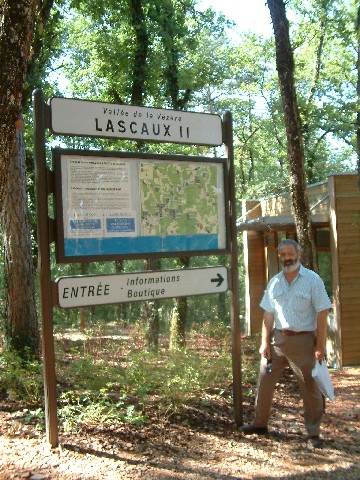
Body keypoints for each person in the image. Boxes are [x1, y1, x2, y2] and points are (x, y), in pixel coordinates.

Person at [242, 239, 332, 448]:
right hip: (277, 341)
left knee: (309, 388)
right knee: (264, 382)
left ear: (298, 254)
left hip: (304, 342)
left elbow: (322, 312)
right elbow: (267, 314)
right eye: (283, 254)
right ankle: (260, 424)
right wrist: (264, 342)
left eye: (290, 254)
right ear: (279, 256)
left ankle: (313, 434)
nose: (287, 258)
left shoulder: (313, 280)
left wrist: (320, 345)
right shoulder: (274, 282)